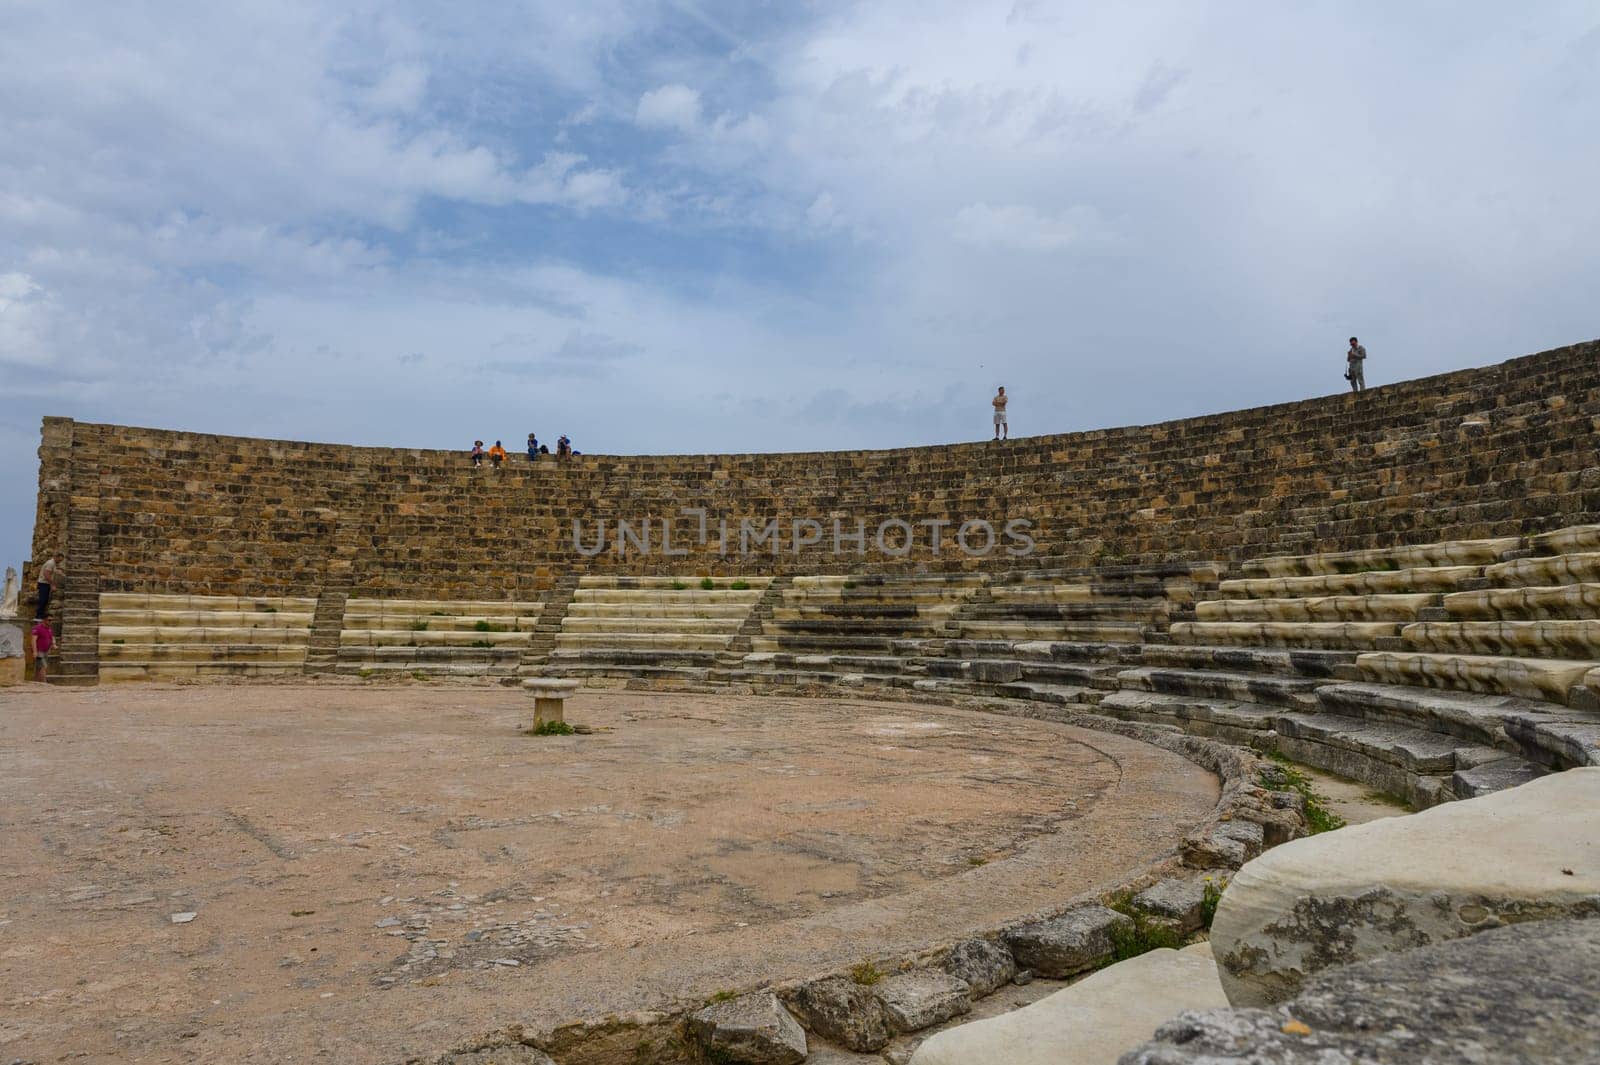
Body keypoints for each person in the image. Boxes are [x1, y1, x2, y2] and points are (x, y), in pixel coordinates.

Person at [35, 552, 62, 619]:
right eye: (60, 560)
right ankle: (38, 616)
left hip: (45, 583)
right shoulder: (51, 563)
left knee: (45, 600)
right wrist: (52, 584)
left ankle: (40, 615)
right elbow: (46, 575)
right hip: (43, 583)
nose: (60, 562)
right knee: (43, 600)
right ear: (56, 557)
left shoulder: (53, 563)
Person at [31, 617, 53, 681]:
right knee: (44, 666)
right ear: (44, 620)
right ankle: (44, 682)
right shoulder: (37, 628)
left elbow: (51, 638)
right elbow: (33, 640)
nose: (51, 622)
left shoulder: (49, 629)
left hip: (46, 651)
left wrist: (52, 645)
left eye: (51, 620)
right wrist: (35, 651)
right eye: (49, 620)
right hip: (39, 651)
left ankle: (36, 681)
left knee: (39, 667)